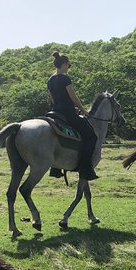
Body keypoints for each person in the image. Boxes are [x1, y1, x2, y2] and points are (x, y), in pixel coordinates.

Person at [47, 51, 98, 180]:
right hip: (68, 113)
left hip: (55, 113)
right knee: (91, 136)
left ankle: (55, 168)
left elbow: (52, 99)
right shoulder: (65, 79)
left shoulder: (50, 80)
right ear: (63, 64)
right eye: (68, 65)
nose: (68, 68)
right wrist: (84, 111)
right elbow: (74, 98)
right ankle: (86, 169)